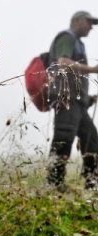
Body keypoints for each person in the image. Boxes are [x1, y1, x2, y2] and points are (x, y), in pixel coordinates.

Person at [47, 11, 98, 191]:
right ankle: (54, 185)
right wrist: (92, 69)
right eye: (89, 22)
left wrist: (87, 98)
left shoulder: (78, 43)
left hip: (78, 102)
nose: (92, 27)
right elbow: (62, 63)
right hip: (66, 98)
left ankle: (92, 184)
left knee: (92, 141)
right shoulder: (67, 37)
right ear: (77, 21)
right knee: (64, 137)